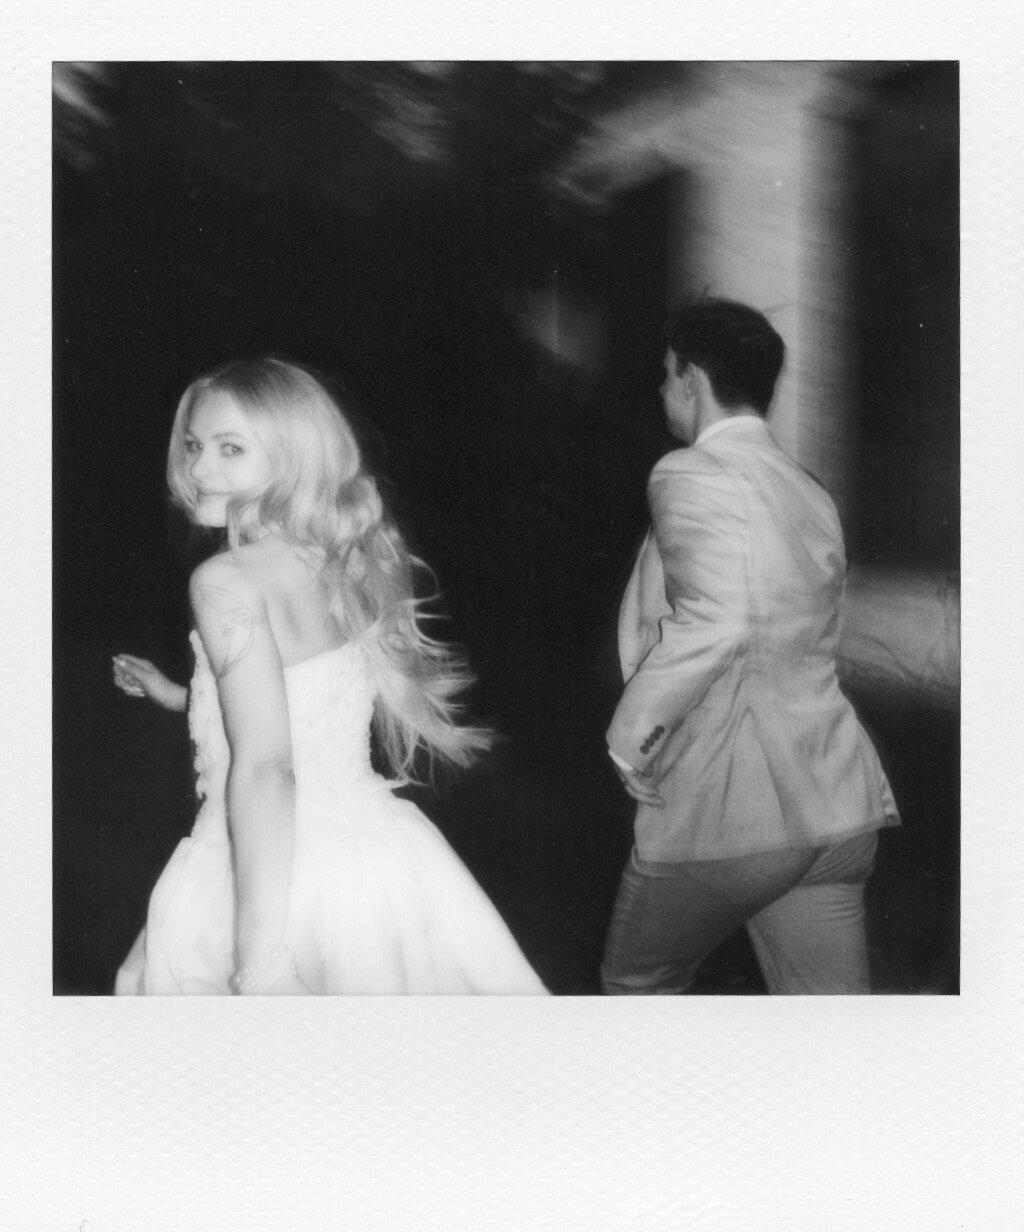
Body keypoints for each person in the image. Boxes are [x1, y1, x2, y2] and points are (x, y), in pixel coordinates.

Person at [112, 357, 547, 995]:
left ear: (295, 458)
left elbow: (267, 765)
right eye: (194, 445)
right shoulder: (342, 557)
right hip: (368, 854)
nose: (200, 469)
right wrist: (176, 694)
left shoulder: (225, 581)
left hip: (267, 867)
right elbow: (293, 704)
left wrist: (259, 962)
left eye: (231, 449)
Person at [601, 298, 899, 995]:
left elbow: (722, 620)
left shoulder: (690, 472)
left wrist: (632, 738)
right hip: (835, 805)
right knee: (833, 1027)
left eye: (666, 373)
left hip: (733, 811)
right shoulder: (809, 491)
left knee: (634, 988)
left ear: (692, 380)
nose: (662, 389)